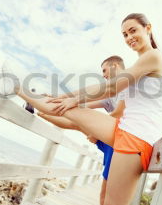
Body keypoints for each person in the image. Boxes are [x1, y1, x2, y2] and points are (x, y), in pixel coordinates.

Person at [3, 13, 162, 205]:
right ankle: (16, 88)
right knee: (65, 109)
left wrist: (75, 99)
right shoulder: (141, 62)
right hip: (125, 128)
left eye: (133, 31)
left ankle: (16, 88)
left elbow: (112, 88)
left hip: (137, 138)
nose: (129, 38)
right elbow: (107, 88)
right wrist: (64, 97)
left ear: (147, 28)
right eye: (124, 34)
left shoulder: (153, 56)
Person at [37, 56, 126, 205]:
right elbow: (83, 105)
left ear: (115, 66)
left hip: (123, 141)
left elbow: (120, 113)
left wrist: (95, 131)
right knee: (77, 122)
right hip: (112, 139)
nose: (103, 75)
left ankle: (40, 108)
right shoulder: (110, 96)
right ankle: (39, 111)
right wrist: (55, 100)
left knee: (106, 194)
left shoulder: (127, 82)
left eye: (105, 70)